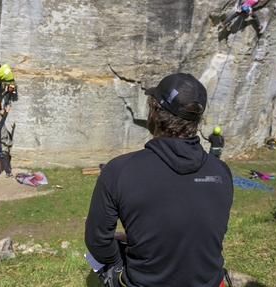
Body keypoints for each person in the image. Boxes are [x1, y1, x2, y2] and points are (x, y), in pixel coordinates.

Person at [85, 73, 234, 287]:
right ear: (197, 119)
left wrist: (120, 263)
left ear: (153, 112)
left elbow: (97, 242)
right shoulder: (221, 171)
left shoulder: (119, 170)